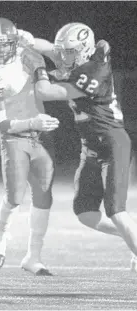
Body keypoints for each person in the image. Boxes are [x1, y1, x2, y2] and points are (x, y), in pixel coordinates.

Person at [29, 22, 137, 271]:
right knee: (86, 213)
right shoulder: (77, 60)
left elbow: (45, 92)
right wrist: (22, 38)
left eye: (70, 52)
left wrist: (38, 68)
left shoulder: (94, 70)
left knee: (115, 211)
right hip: (91, 146)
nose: (64, 57)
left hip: (111, 142)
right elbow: (49, 48)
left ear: (85, 50)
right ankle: (131, 238)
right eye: (64, 51)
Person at [0, 17, 60, 276]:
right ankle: (0, 237)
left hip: (41, 134)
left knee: (44, 195)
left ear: (14, 41)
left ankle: (33, 257)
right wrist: (34, 121)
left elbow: (58, 55)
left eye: (4, 45)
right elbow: (1, 124)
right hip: (14, 136)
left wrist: (33, 41)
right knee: (15, 196)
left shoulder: (26, 51)